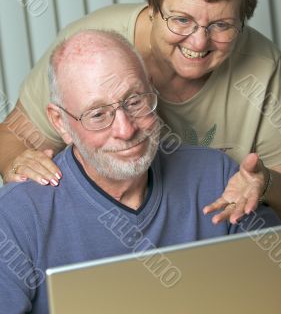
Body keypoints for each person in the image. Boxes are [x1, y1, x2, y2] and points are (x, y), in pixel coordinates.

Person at [0, 0, 281, 225]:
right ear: (152, 6)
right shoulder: (89, 50)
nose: (199, 41)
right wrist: (16, 161)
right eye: (181, 20)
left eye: (221, 25)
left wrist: (264, 182)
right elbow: (11, 137)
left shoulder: (263, 67)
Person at [0, 29, 279, 313]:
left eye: (134, 101)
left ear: (151, 89)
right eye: (98, 115)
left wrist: (267, 183)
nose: (126, 129)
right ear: (60, 123)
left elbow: (271, 292)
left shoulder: (217, 177)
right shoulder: (15, 217)